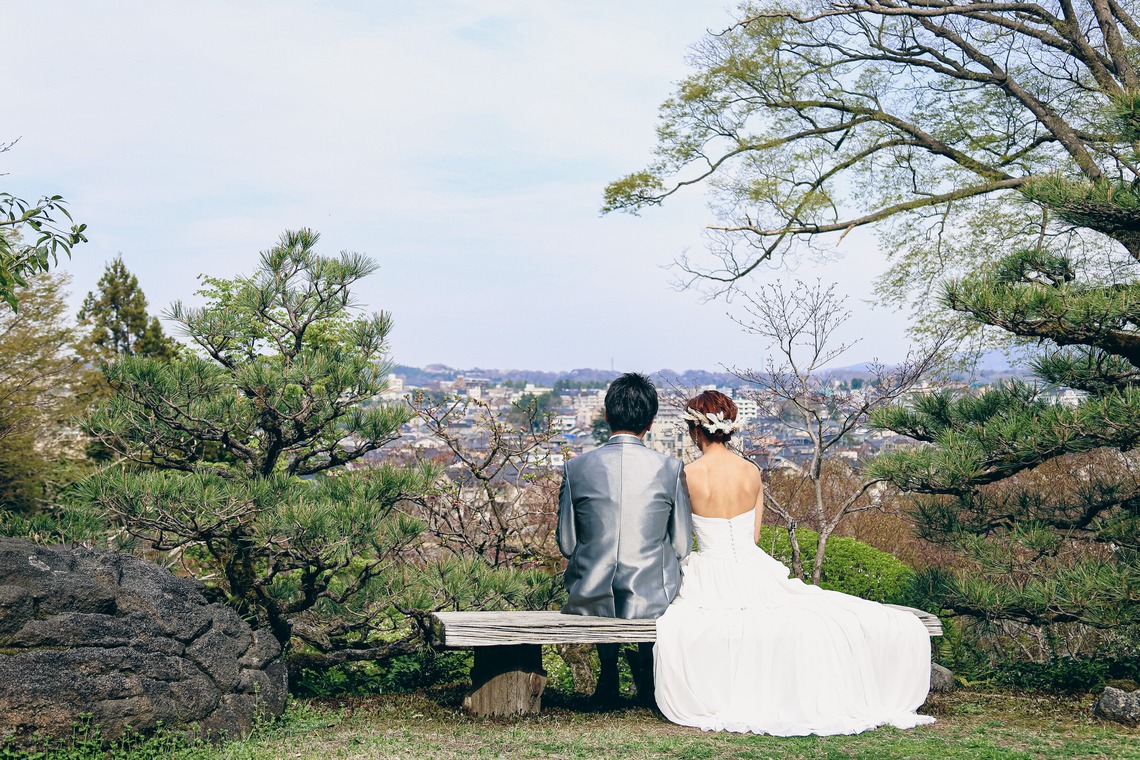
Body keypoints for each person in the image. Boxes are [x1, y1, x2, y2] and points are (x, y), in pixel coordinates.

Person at [654, 390, 934, 735]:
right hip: (752, 567)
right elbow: (753, 537)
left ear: (697, 430)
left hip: (709, 570)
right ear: (728, 427)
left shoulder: (685, 474)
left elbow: (680, 536)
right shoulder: (751, 471)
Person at [557, 372, 693, 704]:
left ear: (605, 416)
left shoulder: (576, 468)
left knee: (599, 576)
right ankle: (646, 673)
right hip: (652, 593)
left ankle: (608, 673)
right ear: (651, 421)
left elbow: (567, 543)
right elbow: (681, 545)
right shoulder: (669, 468)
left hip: (589, 592)